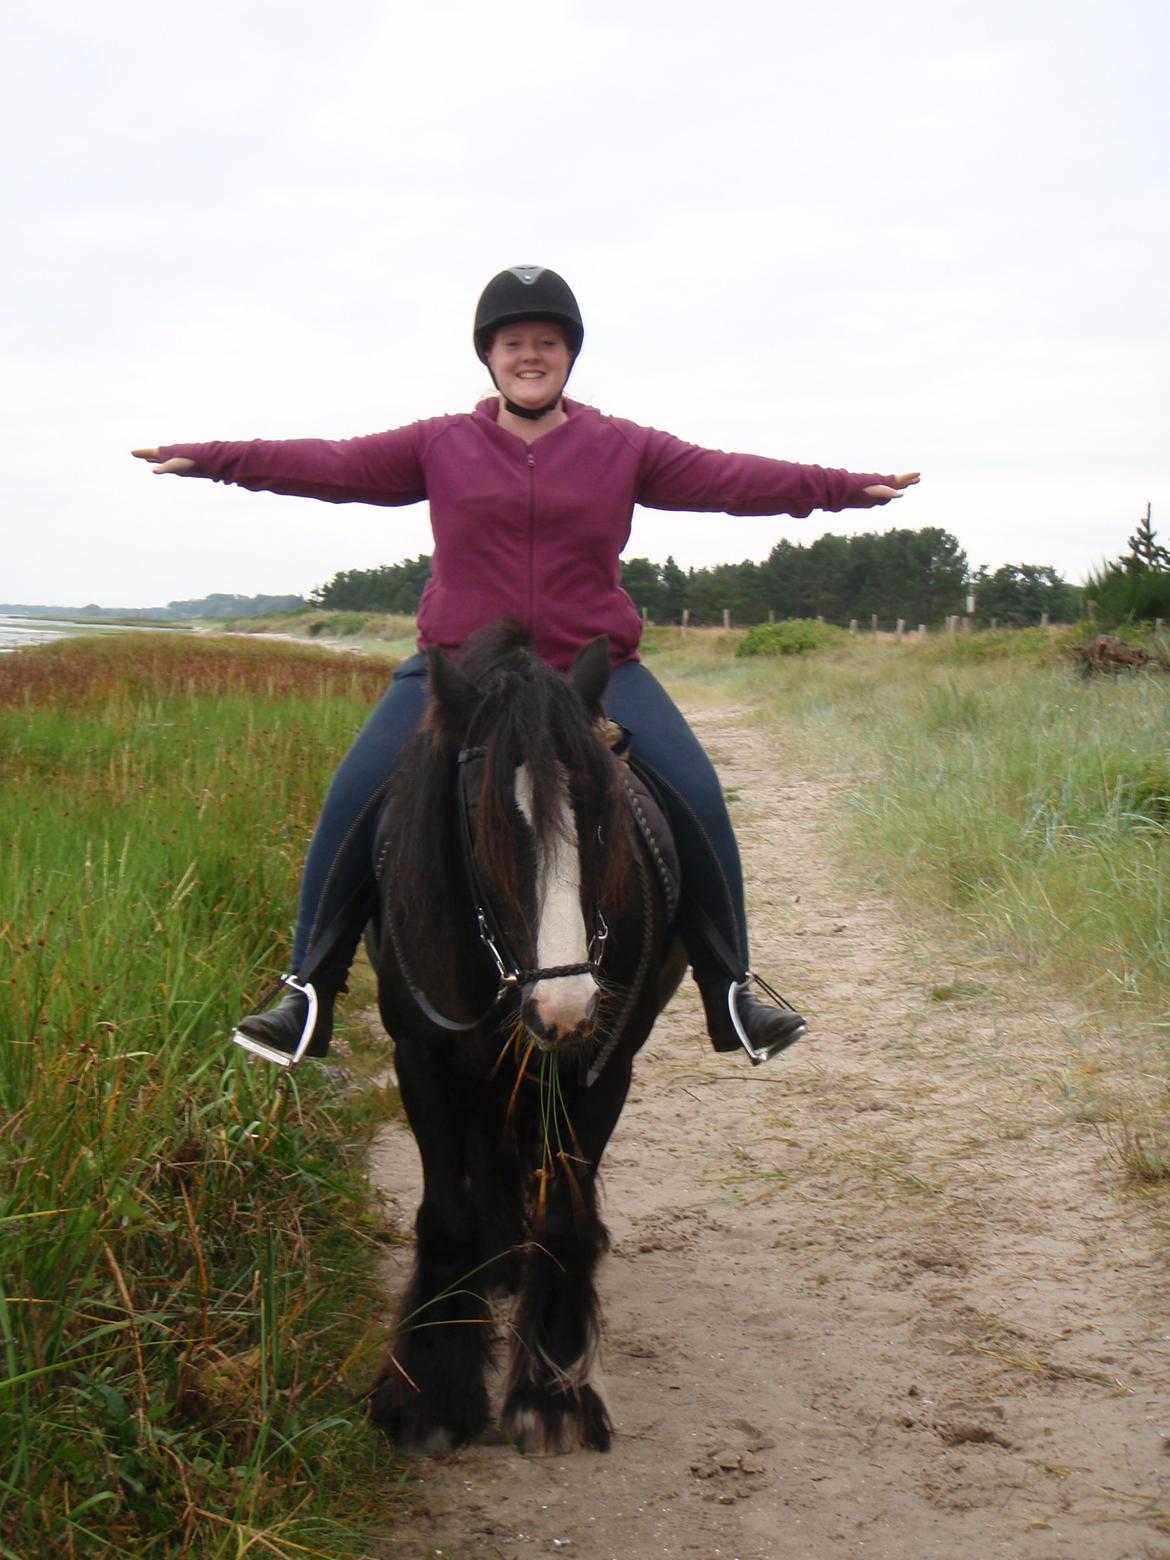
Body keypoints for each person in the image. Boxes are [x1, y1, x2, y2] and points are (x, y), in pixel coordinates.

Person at [132, 265, 918, 1065]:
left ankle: (732, 991)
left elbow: (734, 479)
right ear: (489, 356)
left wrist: (844, 489)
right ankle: (308, 989)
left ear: (571, 355)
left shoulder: (624, 446)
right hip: (461, 674)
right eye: (513, 343)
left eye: (547, 342)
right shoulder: (439, 443)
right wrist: (215, 457)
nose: (530, 355)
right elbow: (329, 463)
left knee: (697, 795)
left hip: (593, 673)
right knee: (354, 796)